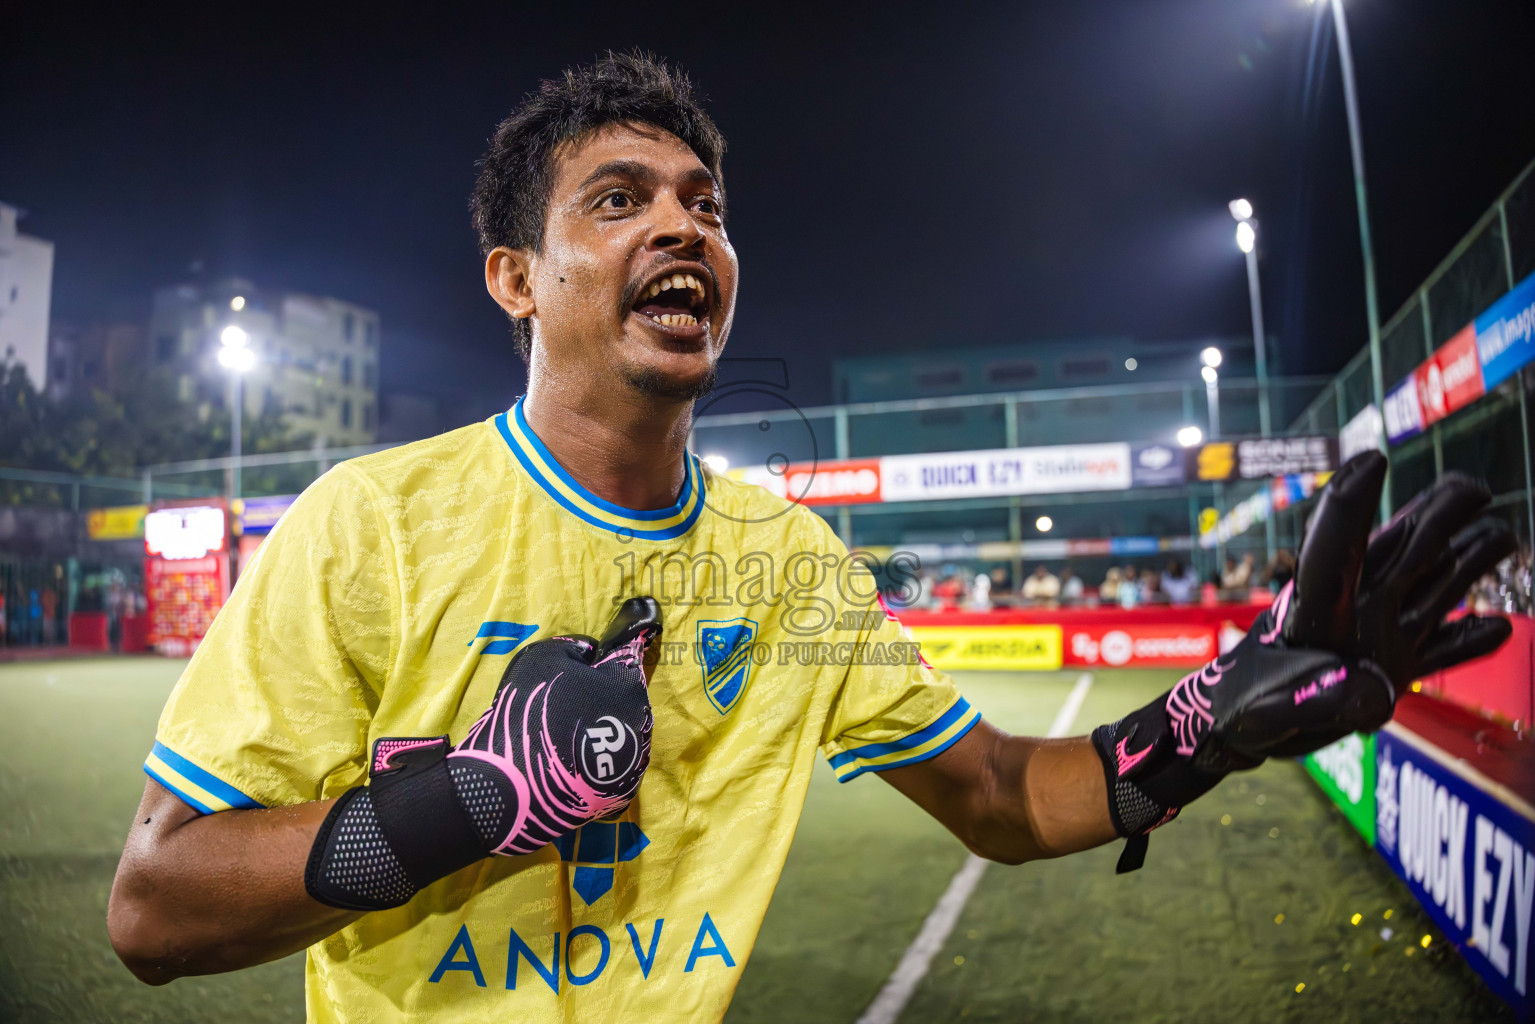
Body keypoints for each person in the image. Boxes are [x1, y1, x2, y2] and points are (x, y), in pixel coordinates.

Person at [105, 54, 1516, 1023]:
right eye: (622, 199)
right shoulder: (372, 523)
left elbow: (1003, 801)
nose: (686, 228)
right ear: (515, 279)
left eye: (705, 207)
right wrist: (465, 804)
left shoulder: (791, 564)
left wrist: (1205, 725)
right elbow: (155, 909)